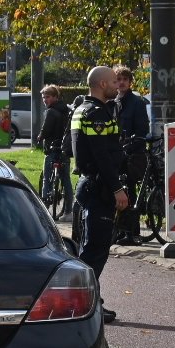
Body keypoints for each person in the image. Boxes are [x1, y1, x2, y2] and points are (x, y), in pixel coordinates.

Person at [71, 65, 128, 323]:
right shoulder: (97, 113)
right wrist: (117, 188)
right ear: (103, 84)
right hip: (99, 187)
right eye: (114, 81)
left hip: (89, 184)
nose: (118, 85)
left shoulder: (81, 109)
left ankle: (88, 301)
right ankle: (83, 304)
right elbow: (101, 155)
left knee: (90, 247)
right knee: (95, 250)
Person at [112, 65, 151, 245]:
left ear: (130, 82)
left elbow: (142, 129)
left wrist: (134, 143)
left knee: (130, 190)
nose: (121, 83)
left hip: (132, 153)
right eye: (118, 79)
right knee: (118, 189)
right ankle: (120, 229)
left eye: (125, 79)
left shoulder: (137, 102)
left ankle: (132, 232)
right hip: (117, 152)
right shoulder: (113, 101)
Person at [38, 85, 74, 218]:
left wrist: (40, 136)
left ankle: (44, 210)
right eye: (43, 97)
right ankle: (68, 211)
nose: (45, 100)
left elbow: (46, 130)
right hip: (65, 149)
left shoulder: (51, 112)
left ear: (55, 97)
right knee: (66, 180)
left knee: (46, 178)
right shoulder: (67, 110)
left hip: (52, 149)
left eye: (47, 97)